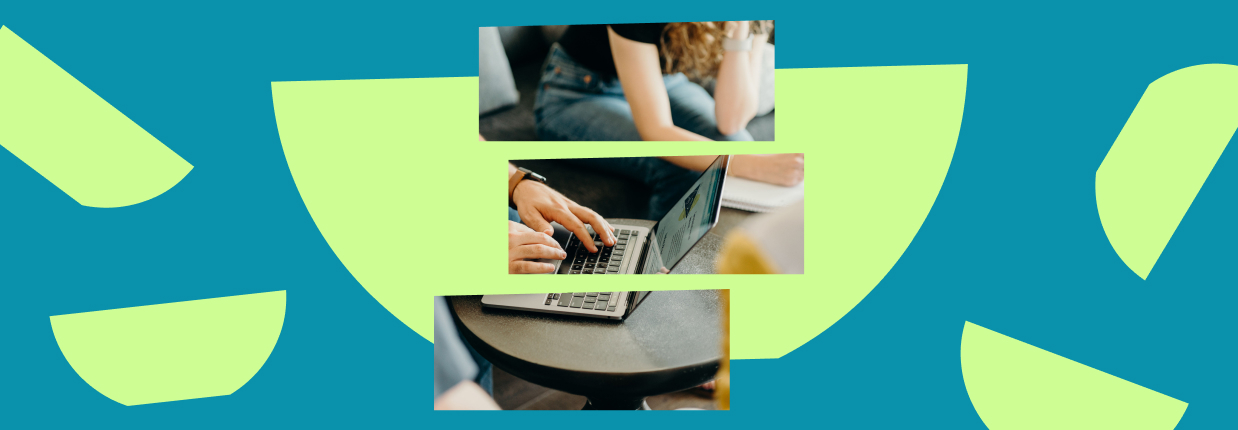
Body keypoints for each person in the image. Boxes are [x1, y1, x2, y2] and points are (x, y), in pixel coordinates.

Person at [535, 21, 772, 141]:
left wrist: (740, 28)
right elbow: (657, 132)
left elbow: (731, 122)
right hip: (580, 90)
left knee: (736, 141)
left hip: (662, 81)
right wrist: (749, 164)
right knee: (683, 166)